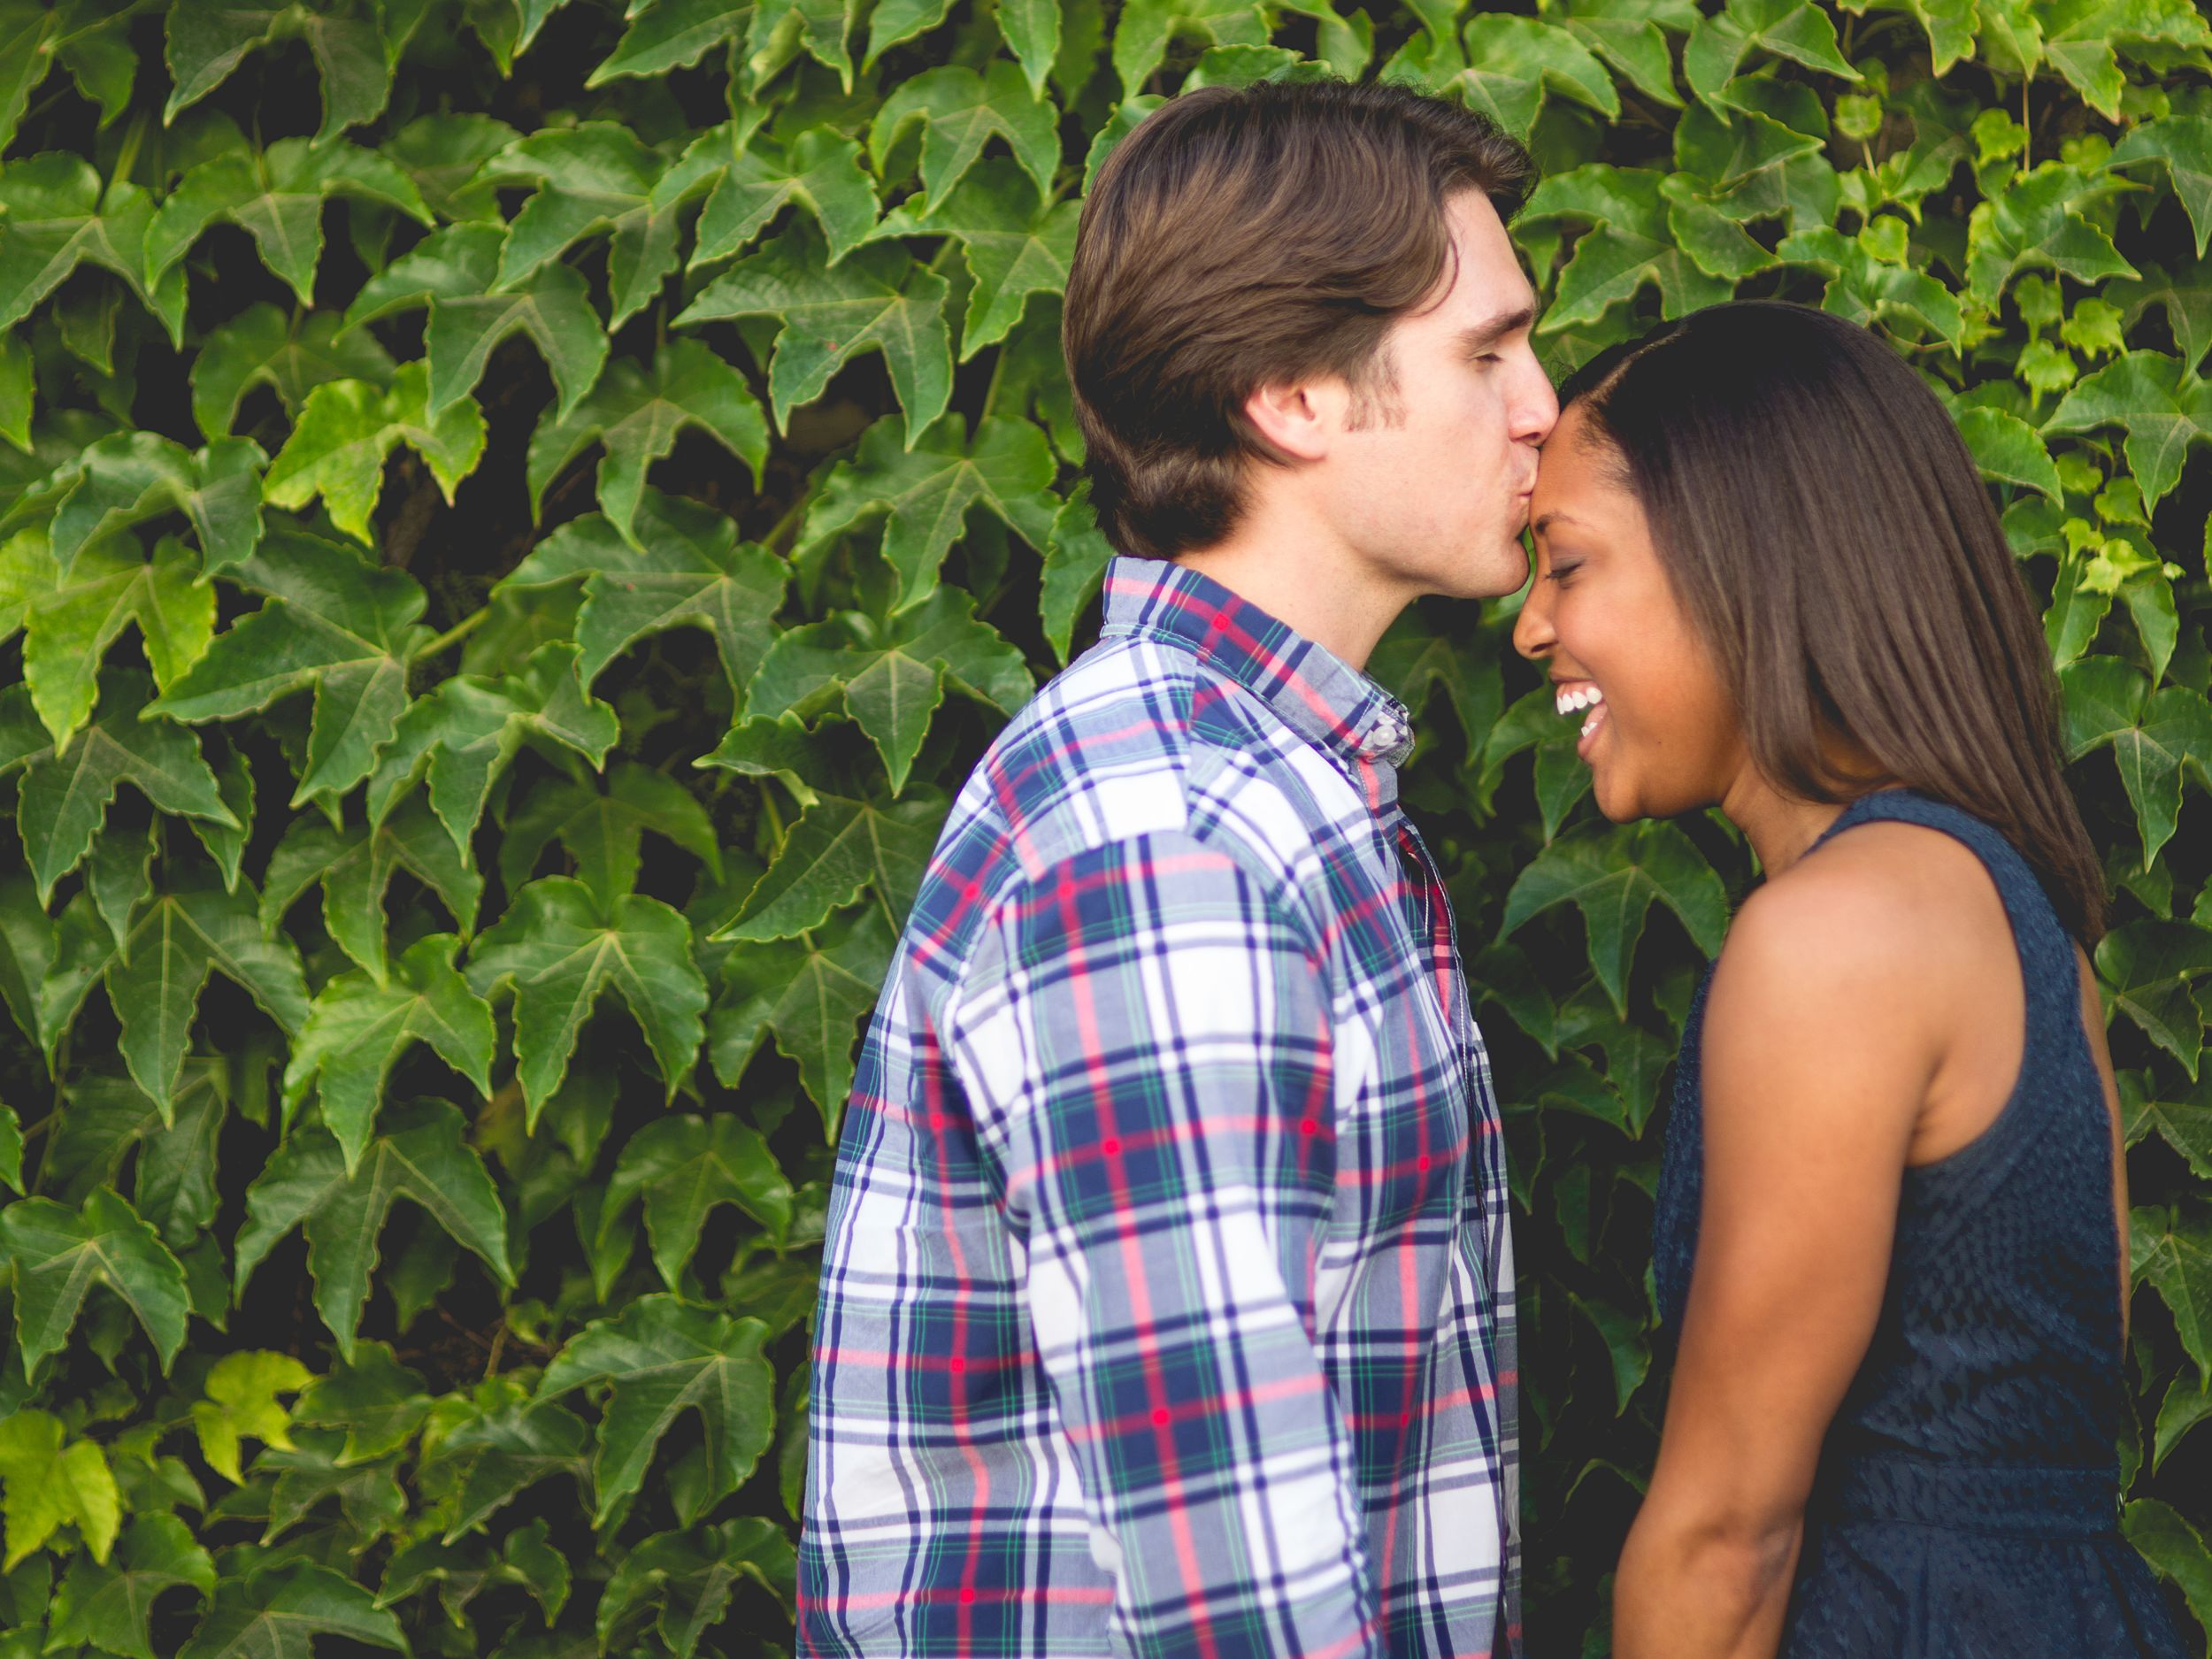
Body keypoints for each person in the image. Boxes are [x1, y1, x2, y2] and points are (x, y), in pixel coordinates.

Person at [799, 79, 1557, 1658]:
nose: (1541, 405)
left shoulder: (1262, 787)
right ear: (1293, 395)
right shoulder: (1174, 833)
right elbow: (1231, 1584)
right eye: (1486, 353)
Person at [1513, 299, 2188, 1659]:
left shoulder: (1838, 936)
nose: (1531, 628)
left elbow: (1727, 1541)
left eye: (1567, 564)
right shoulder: (2005, 905)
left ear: (1740, 558)